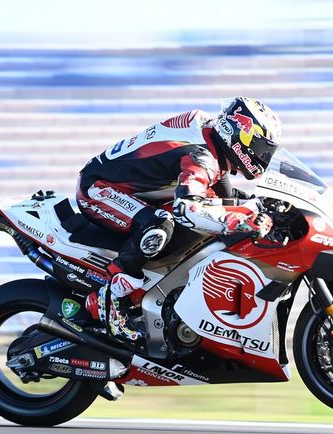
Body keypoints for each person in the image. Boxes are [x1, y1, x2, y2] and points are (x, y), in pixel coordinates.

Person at [77, 97, 282, 341]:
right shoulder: (201, 157)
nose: (263, 156)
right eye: (260, 148)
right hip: (99, 189)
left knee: (221, 206)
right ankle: (110, 299)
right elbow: (187, 208)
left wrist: (263, 206)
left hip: (135, 187)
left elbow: (224, 198)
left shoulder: (210, 138)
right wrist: (241, 221)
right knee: (159, 223)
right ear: (240, 136)